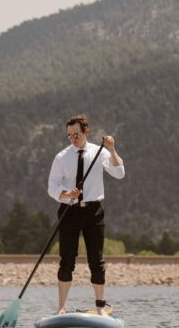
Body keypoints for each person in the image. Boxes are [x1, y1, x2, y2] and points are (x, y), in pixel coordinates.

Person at [47, 114, 125, 316]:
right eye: (69, 136)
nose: (73, 139)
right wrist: (66, 194)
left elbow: (119, 173)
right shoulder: (62, 157)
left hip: (93, 211)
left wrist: (112, 149)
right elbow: (52, 187)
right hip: (69, 211)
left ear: (86, 132)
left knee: (96, 260)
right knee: (66, 260)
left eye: (76, 135)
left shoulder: (99, 152)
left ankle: (100, 306)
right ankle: (62, 308)